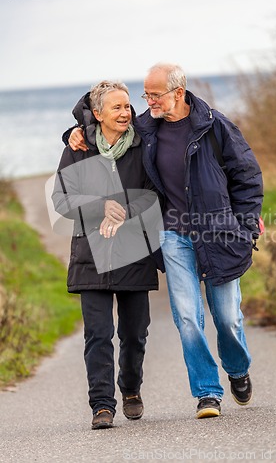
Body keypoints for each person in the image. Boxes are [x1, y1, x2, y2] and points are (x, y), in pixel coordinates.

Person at [66, 64, 264, 419]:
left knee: (228, 318)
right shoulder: (147, 127)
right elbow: (102, 122)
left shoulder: (215, 126)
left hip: (218, 232)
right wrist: (74, 131)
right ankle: (207, 393)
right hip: (174, 235)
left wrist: (247, 224)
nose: (147, 102)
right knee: (188, 317)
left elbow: (246, 176)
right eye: (146, 94)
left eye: (154, 94)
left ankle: (237, 369)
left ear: (179, 91)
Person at [53, 80, 163, 429]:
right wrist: (102, 206)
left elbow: (152, 194)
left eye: (127, 106)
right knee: (98, 334)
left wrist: (125, 211)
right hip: (91, 254)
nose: (125, 112)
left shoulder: (142, 146)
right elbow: (62, 200)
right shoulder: (79, 148)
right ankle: (102, 405)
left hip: (133, 251)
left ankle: (130, 389)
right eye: (116, 107)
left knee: (135, 333)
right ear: (96, 114)